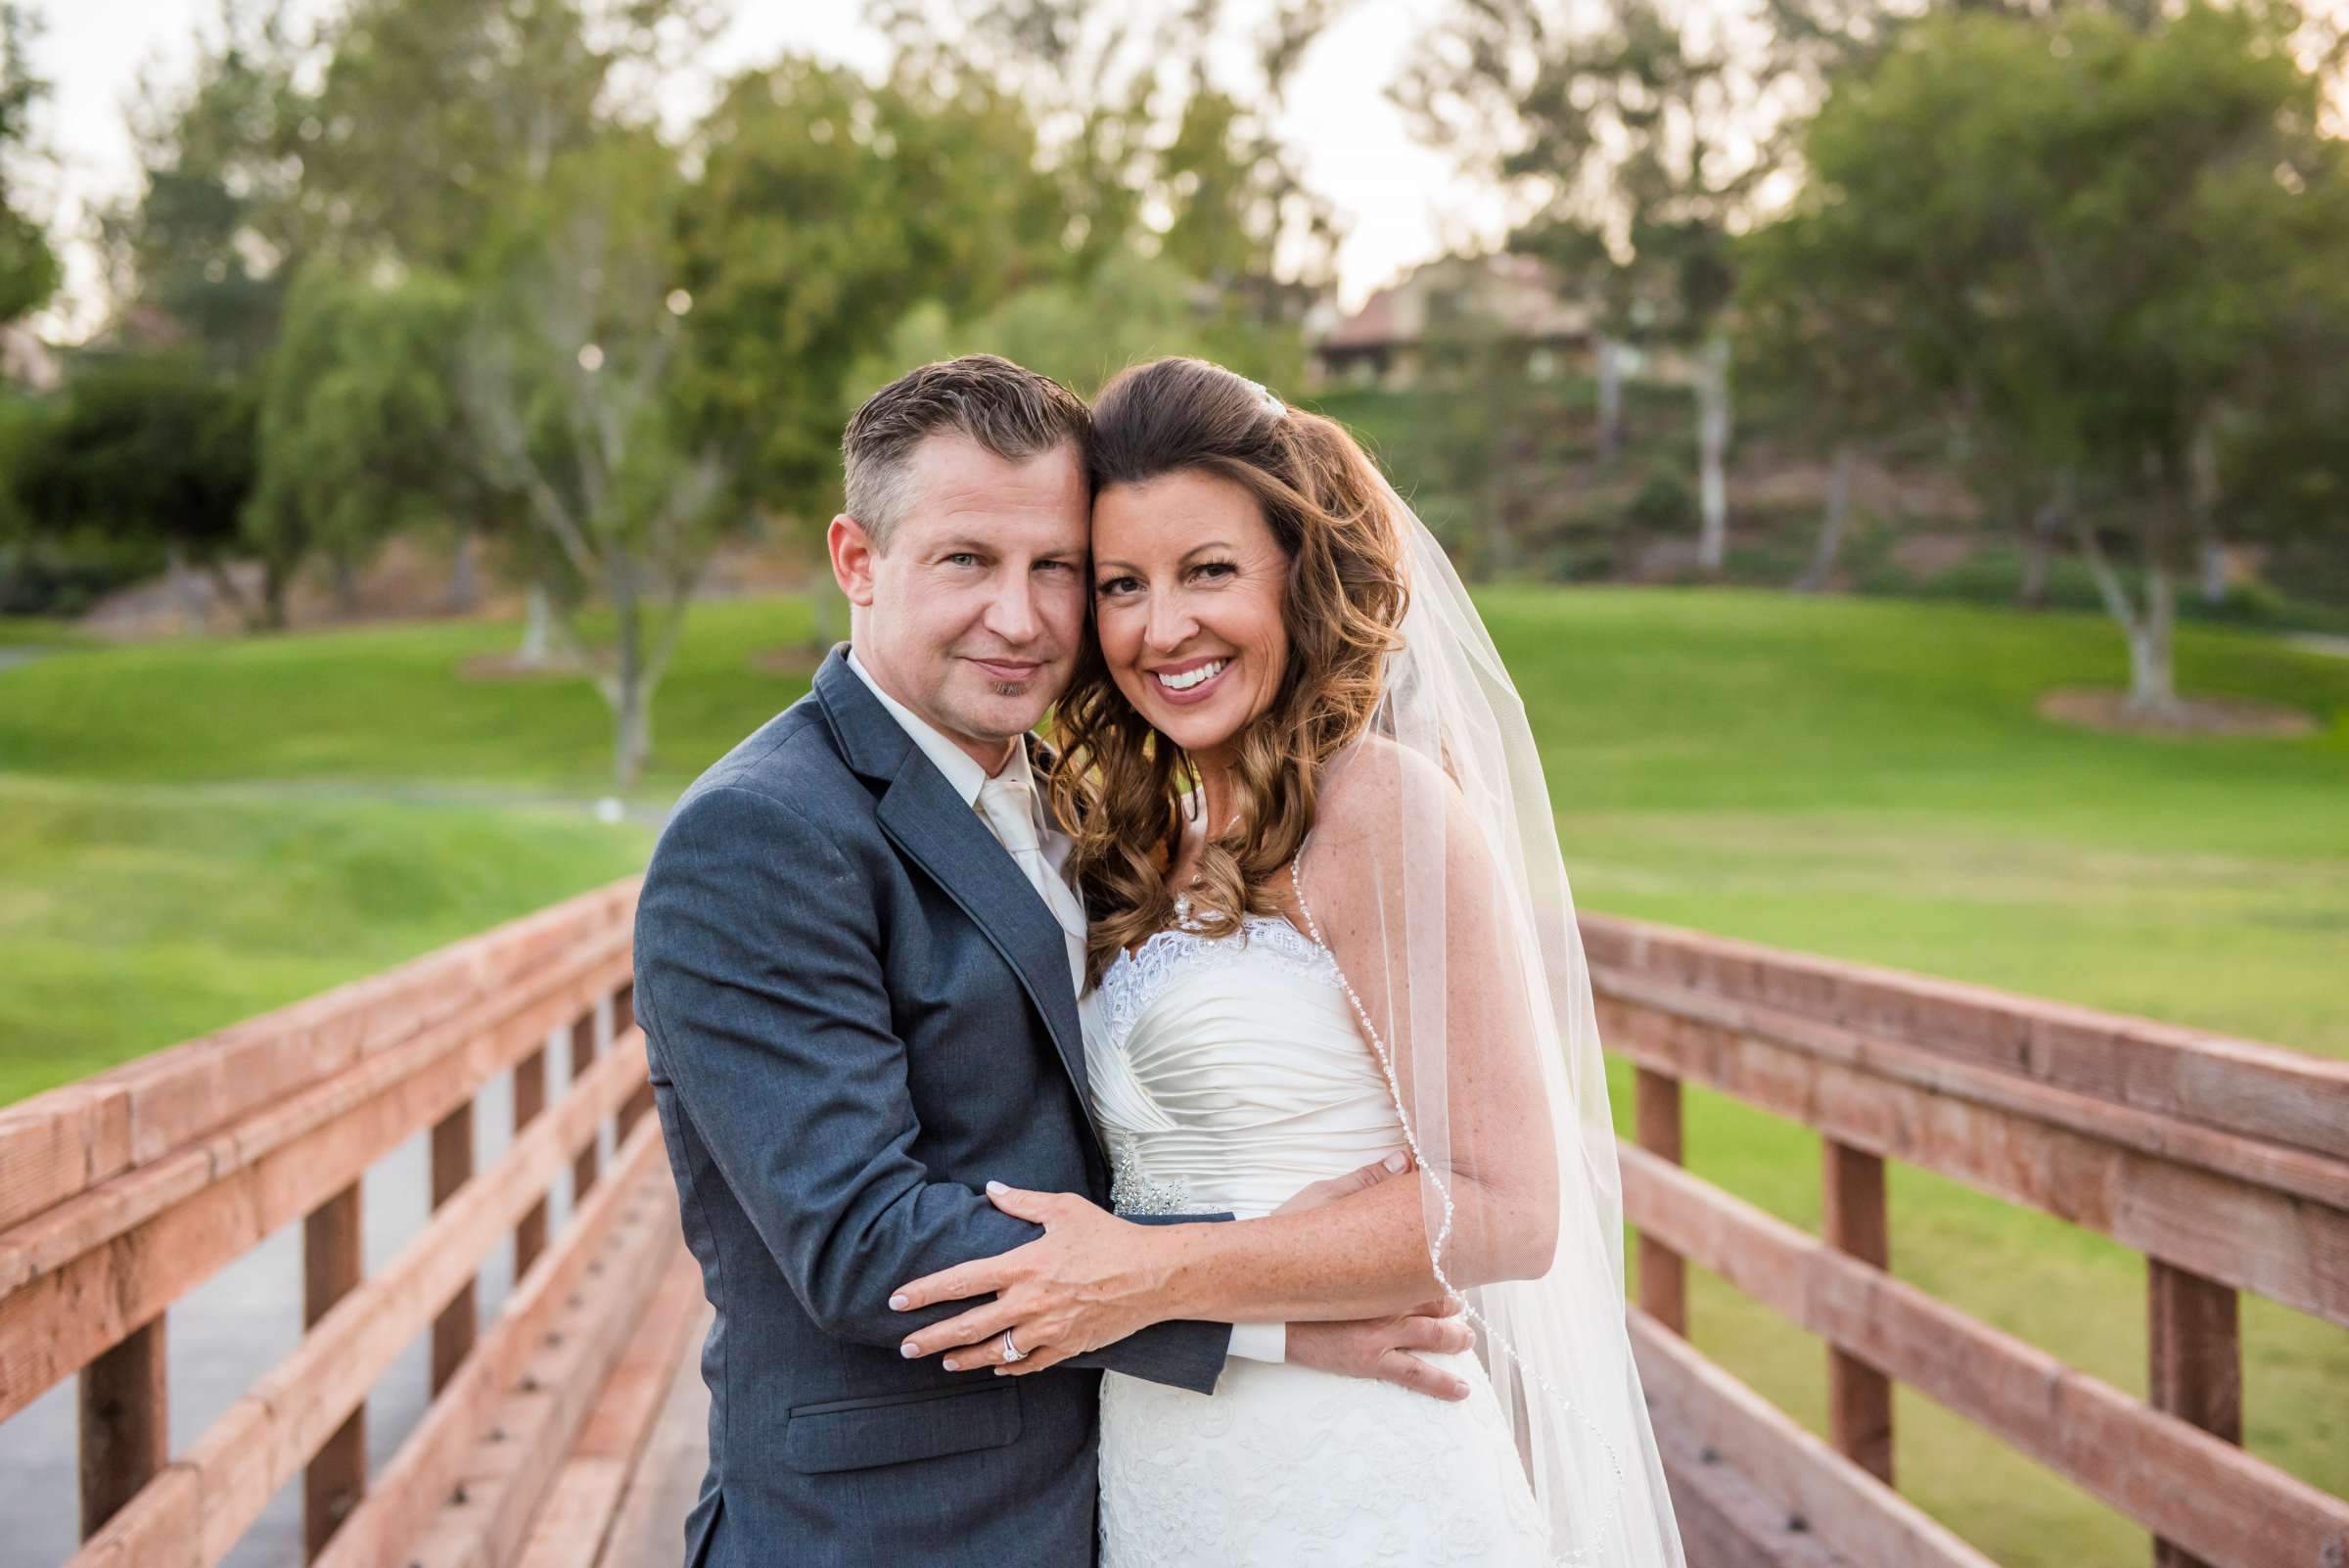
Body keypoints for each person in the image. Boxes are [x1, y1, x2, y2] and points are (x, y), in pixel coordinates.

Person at [630, 354, 1471, 1568]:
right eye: (967, 559)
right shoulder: (760, 834)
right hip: (888, 1531)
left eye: (1060, 570)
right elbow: (867, 1243)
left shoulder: (1081, 811)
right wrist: (1264, 1317)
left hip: (1121, 1493)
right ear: (858, 562)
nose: (1020, 618)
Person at [885, 357, 1687, 1566]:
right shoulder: (1143, 836)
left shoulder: (1378, 810)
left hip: (1355, 1465)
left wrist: (1155, 1274)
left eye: (1210, 572)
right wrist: (1198, 1301)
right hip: (1170, 1456)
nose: (1165, 629)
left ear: (1296, 579)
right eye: (1121, 585)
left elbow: (1510, 1209)